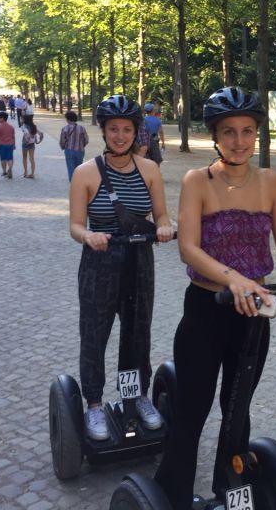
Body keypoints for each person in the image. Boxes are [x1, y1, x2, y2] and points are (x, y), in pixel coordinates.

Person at [154, 86, 276, 510]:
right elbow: (188, 248)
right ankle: (171, 494)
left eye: (247, 131)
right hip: (206, 309)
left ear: (256, 135)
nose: (239, 141)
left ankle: (232, 493)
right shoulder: (198, 181)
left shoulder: (269, 181)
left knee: (238, 406)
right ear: (214, 135)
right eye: (228, 132)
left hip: (254, 313)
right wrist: (235, 280)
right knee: (193, 410)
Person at [68, 95, 174, 441]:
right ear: (103, 131)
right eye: (113, 129)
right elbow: (75, 226)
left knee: (137, 333)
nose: (119, 136)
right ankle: (95, 404)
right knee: (95, 334)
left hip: (139, 261)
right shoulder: (86, 173)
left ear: (136, 132)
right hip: (100, 262)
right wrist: (89, 236)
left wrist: (163, 227)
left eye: (126, 129)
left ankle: (137, 395)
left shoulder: (150, 170)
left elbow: (161, 215)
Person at [59, 110, 89, 182]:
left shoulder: (65, 129)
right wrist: (82, 145)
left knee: (71, 168)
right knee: (79, 168)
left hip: (69, 150)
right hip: (80, 151)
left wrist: (63, 146)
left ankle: (73, 184)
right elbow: (86, 140)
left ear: (68, 119)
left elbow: (62, 141)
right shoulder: (82, 128)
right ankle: (79, 182)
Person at [0, 111, 16, 178]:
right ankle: (10, 169)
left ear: (2, 118)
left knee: (3, 159)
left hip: (2, 145)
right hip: (10, 145)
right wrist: (14, 144)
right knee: (10, 158)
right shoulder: (11, 127)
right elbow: (13, 137)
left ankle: (4, 171)